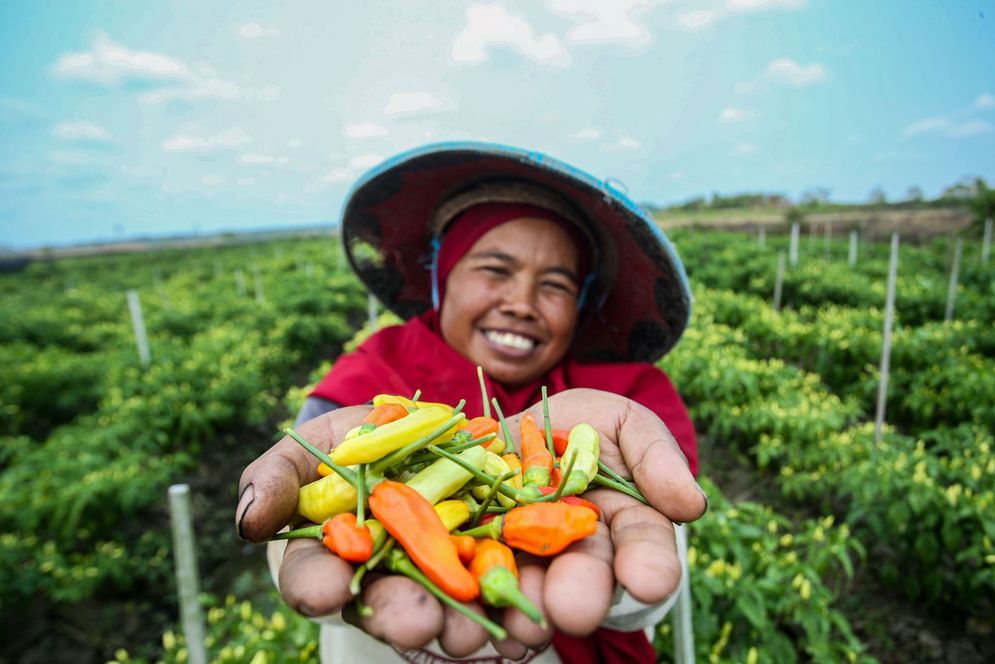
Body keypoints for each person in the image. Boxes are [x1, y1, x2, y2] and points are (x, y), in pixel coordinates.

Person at [236, 142, 707, 663]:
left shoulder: (626, 399)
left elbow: (656, 570)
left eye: (554, 284)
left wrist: (618, 589)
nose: (520, 304)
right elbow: (304, 527)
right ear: (443, 275)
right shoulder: (363, 381)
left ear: (582, 302)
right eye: (494, 270)